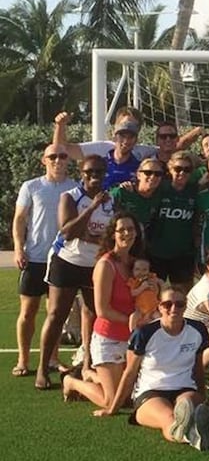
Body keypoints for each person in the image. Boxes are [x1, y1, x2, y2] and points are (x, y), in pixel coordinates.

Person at [96, 286, 209, 451]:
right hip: (151, 391)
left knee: (187, 403)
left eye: (179, 304)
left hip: (185, 387)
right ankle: (191, 435)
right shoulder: (145, 333)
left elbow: (198, 366)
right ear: (159, 306)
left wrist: (202, 395)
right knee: (169, 418)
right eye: (167, 304)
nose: (174, 309)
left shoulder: (197, 329)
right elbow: (129, 373)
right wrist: (112, 408)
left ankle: (193, 422)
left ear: (186, 306)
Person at [35, 154, 114, 390]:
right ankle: (42, 367)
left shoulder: (111, 200)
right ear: (81, 173)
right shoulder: (70, 197)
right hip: (66, 261)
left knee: (96, 314)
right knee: (57, 314)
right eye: (89, 172)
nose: (94, 176)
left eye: (99, 172)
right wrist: (92, 207)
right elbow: (68, 231)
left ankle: (89, 363)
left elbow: (111, 235)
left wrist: (91, 235)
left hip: (95, 265)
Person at [62, 212, 144, 412]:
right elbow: (102, 310)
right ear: (113, 235)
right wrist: (131, 321)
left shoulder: (137, 264)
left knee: (129, 398)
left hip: (132, 339)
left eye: (131, 229)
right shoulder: (105, 265)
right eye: (121, 230)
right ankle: (71, 382)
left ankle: (91, 374)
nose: (127, 233)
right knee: (111, 401)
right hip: (109, 338)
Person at [12, 144, 76, 378]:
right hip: (35, 258)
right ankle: (23, 360)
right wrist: (19, 248)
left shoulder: (75, 188)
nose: (58, 160)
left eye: (62, 156)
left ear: (68, 160)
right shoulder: (31, 186)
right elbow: (19, 219)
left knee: (55, 313)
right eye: (53, 156)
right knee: (28, 312)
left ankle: (52, 358)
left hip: (61, 259)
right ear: (44, 160)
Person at [52, 110, 153, 189]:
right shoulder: (102, 148)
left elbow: (166, 152)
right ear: (115, 131)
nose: (126, 140)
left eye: (133, 127)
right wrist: (60, 125)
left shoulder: (145, 153)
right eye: (124, 126)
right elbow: (62, 149)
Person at [147, 151, 198, 288]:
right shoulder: (160, 187)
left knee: (182, 297)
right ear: (170, 169)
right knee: (153, 296)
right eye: (178, 169)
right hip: (157, 253)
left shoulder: (195, 191)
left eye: (187, 170)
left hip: (183, 254)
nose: (182, 173)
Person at [109, 157, 164, 235]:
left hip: (139, 241)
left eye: (158, 174)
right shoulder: (123, 192)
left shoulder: (158, 197)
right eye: (148, 173)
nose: (153, 177)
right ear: (138, 175)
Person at [127, 257, 161, 331]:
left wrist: (155, 286)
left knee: (159, 318)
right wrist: (142, 287)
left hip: (152, 309)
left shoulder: (151, 279)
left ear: (149, 271)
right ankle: (133, 334)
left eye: (144, 270)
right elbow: (132, 293)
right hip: (139, 309)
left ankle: (158, 334)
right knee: (133, 317)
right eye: (137, 269)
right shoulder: (134, 281)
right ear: (132, 270)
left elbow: (157, 291)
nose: (141, 272)